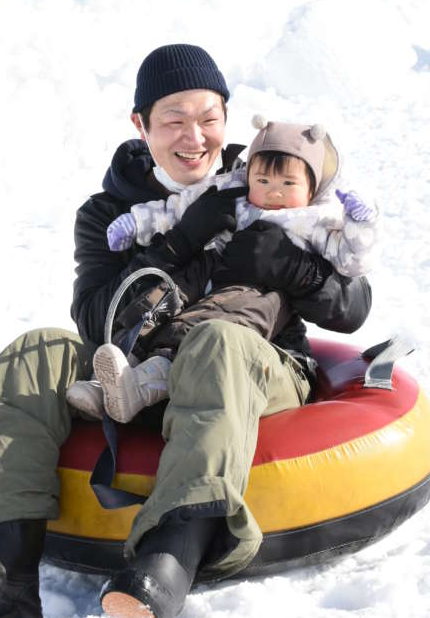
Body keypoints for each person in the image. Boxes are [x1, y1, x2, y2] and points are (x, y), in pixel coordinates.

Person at [0, 43, 372, 618]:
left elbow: (354, 304)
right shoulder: (108, 211)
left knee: (215, 341)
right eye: (174, 120)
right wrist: (176, 248)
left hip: (251, 366)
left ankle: (168, 561)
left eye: (210, 118)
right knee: (34, 353)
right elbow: (95, 319)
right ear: (142, 125)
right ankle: (5, 566)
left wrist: (292, 268)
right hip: (130, 370)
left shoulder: (267, 175)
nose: (196, 137)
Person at [67, 116, 378, 424]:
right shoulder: (230, 193)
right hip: (206, 272)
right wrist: (140, 225)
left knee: (211, 329)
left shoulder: (313, 220)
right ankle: (104, 385)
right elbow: (174, 209)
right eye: (264, 181)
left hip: (253, 297)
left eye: (288, 183)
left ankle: (143, 385)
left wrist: (311, 257)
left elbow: (351, 265)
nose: (274, 192)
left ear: (312, 188)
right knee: (154, 304)